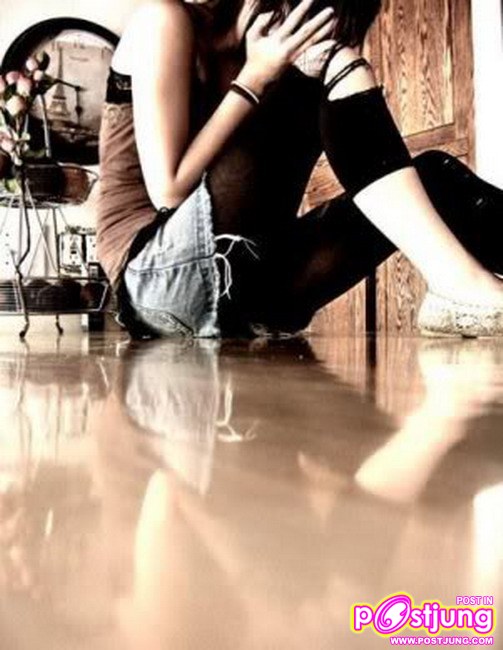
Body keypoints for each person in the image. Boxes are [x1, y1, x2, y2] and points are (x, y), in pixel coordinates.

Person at [97, 0, 503, 339]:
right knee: (336, 67)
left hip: (253, 285)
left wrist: (262, 71)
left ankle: (462, 285)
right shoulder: (164, 20)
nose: (306, 43)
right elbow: (167, 190)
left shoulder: (251, 55)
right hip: (155, 278)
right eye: (306, 24)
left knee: (434, 178)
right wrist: (255, 77)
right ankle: (460, 284)